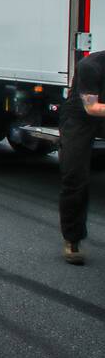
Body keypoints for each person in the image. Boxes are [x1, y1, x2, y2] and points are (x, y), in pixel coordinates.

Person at [58, 49, 105, 265]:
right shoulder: (90, 66)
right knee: (76, 178)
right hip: (80, 117)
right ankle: (72, 240)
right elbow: (92, 108)